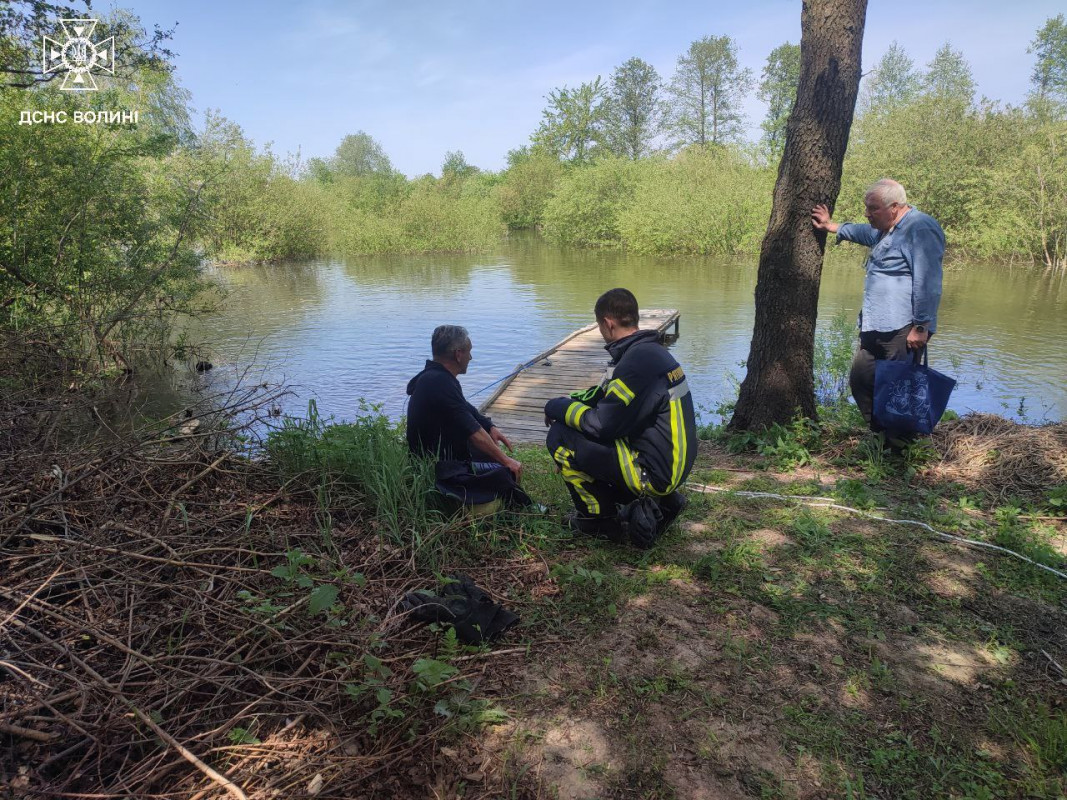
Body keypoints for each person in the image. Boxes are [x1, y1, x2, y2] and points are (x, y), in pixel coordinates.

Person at [543, 289, 697, 547]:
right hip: (671, 467)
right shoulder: (650, 353)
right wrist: (564, 401)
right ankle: (666, 501)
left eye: (600, 326)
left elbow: (601, 425)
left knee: (560, 436)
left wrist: (557, 409)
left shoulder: (635, 363)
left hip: (654, 474)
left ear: (607, 323)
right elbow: (603, 394)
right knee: (578, 425)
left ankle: (598, 522)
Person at [811, 179, 945, 441]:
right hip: (874, 324)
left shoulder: (920, 228)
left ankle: (898, 449)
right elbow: (863, 232)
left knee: (897, 390)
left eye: (872, 209)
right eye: (866, 208)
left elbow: (928, 281)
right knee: (861, 379)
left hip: (903, 327)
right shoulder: (886, 230)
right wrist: (831, 226)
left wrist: (921, 326)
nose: (867, 214)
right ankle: (882, 434)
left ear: (894, 207)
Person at [406, 325, 530, 508]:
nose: (470, 358)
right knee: (505, 471)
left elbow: (464, 406)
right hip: (439, 470)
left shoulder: (433, 377)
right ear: (458, 354)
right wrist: (507, 461)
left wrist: (489, 426)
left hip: (440, 459)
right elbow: (474, 433)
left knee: (491, 451)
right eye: (469, 352)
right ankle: (516, 508)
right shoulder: (440, 382)